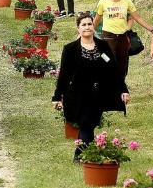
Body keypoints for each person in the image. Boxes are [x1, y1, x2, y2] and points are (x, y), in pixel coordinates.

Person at [52, 12, 130, 162]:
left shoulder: (103, 46)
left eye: (89, 24)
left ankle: (84, 155)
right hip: (77, 95)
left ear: (93, 27)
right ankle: (80, 156)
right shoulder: (70, 49)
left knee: (90, 125)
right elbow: (64, 75)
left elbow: (113, 69)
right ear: (78, 29)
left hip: (98, 95)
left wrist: (123, 89)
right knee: (86, 124)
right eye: (84, 25)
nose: (87, 27)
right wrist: (57, 97)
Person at [93, 0, 153, 78]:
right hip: (109, 35)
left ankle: (121, 87)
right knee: (108, 60)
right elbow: (96, 20)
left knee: (123, 62)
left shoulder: (127, 1)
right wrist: (86, 34)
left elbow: (137, 17)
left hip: (122, 36)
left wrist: (151, 29)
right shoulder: (103, 2)